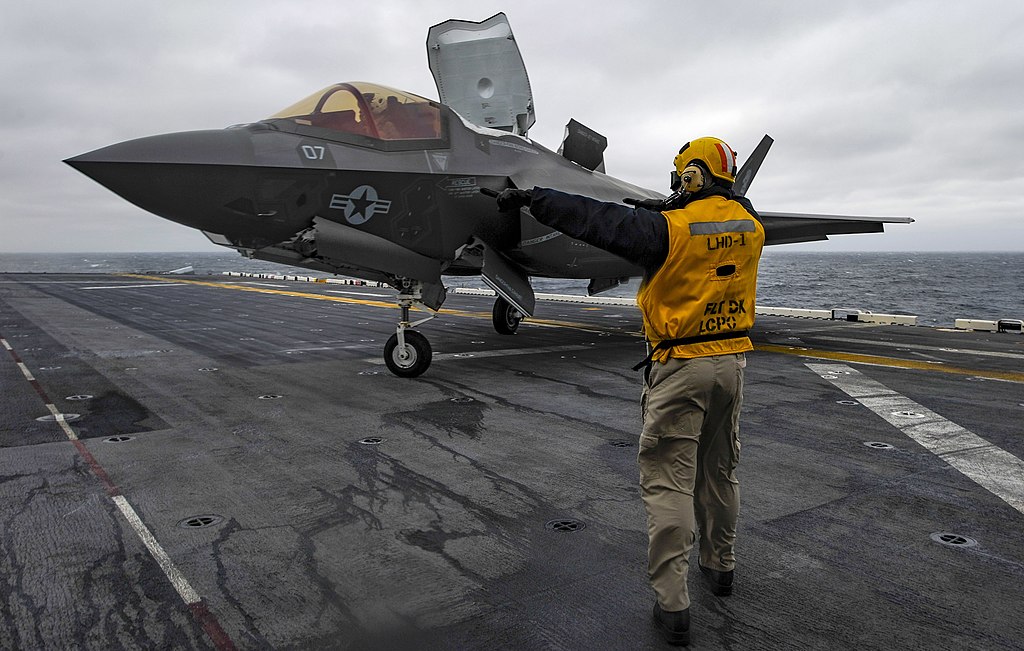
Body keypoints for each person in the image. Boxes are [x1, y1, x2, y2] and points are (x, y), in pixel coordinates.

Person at [495, 137, 765, 646]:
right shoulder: (750, 225)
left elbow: (598, 220)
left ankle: (673, 604)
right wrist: (669, 206)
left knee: (668, 480)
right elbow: (714, 213)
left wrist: (534, 199)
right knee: (720, 470)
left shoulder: (668, 230)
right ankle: (721, 566)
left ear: (694, 177)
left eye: (681, 176)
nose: (675, 184)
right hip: (730, 363)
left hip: (681, 366)